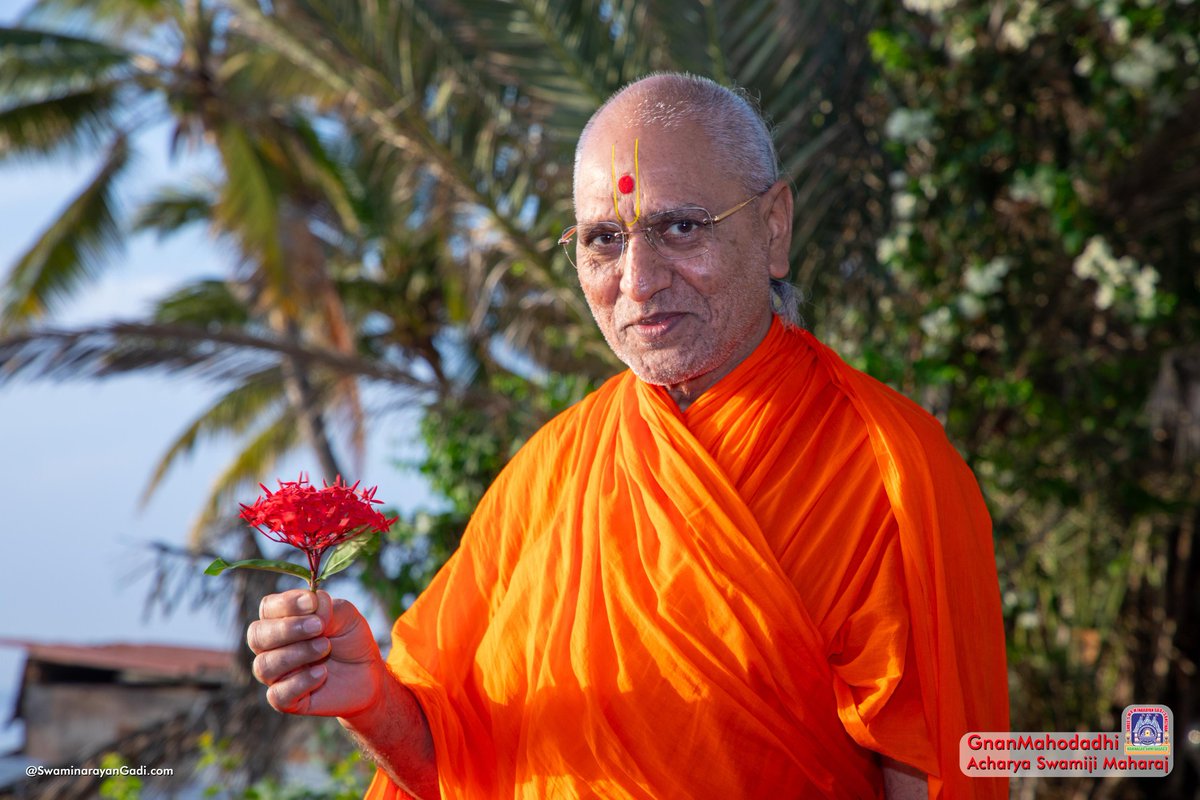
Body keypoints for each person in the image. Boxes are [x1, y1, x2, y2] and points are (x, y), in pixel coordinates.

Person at [246, 73, 1009, 799]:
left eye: (681, 227)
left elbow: (935, 775)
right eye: (603, 239)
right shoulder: (552, 471)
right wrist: (372, 701)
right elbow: (455, 762)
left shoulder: (889, 473)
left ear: (775, 227)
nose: (639, 281)